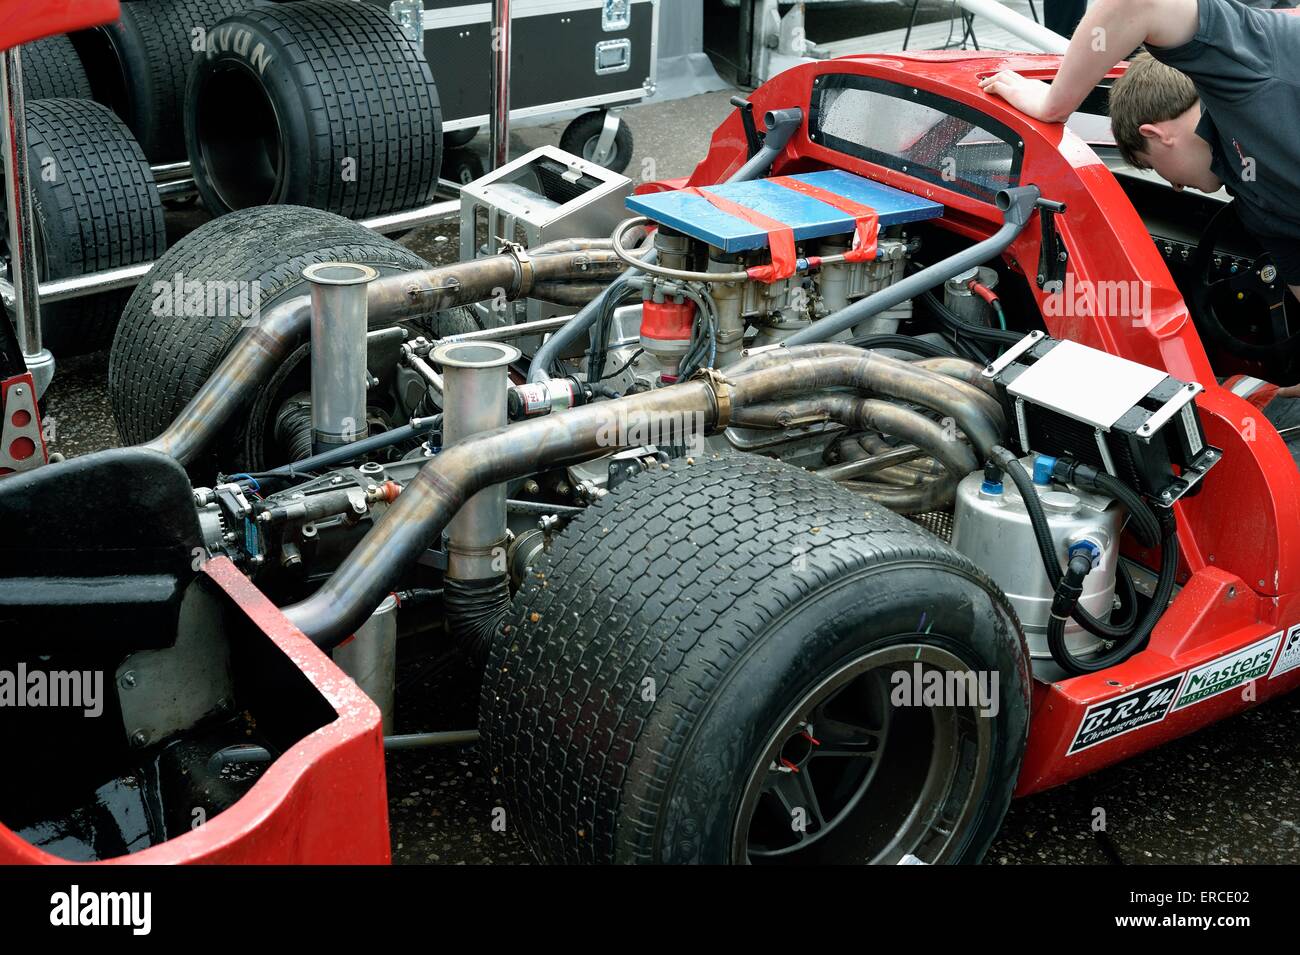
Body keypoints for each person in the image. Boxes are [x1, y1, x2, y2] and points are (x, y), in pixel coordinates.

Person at [980, 0, 1300, 449]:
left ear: (1156, 135)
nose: (1172, 187)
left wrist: (1053, 105)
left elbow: (1140, 2)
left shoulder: (1248, 69)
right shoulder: (1254, 200)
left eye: (1153, 167)